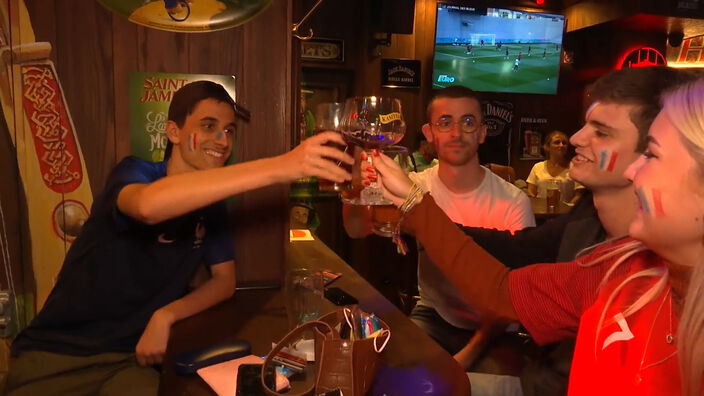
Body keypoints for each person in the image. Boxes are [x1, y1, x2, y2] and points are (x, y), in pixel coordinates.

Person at [4, 81, 352, 395]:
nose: (223, 141)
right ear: (172, 131)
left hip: (132, 359)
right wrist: (283, 166)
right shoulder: (135, 171)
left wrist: (165, 315)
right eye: (208, 126)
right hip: (58, 354)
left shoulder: (210, 206)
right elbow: (149, 206)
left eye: (229, 131)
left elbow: (225, 281)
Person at [371, 75, 704, 394]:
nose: (574, 139)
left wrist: (421, 213)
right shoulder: (618, 264)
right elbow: (507, 284)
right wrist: (419, 212)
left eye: (652, 154)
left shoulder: (625, 268)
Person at [406, 86, 534, 374]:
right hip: (435, 314)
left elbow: (512, 302)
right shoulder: (415, 188)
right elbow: (356, 228)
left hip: (497, 326)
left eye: (467, 122)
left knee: (493, 386)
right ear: (429, 133)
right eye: (445, 122)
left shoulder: (514, 202)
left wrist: (463, 358)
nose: (456, 133)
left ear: (482, 132)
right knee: (402, 375)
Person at [526, 130, 584, 204]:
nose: (561, 145)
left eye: (564, 143)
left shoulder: (575, 167)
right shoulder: (538, 167)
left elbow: (579, 195)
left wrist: (567, 210)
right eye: (557, 142)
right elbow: (531, 191)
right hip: (541, 211)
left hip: (565, 213)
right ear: (547, 147)